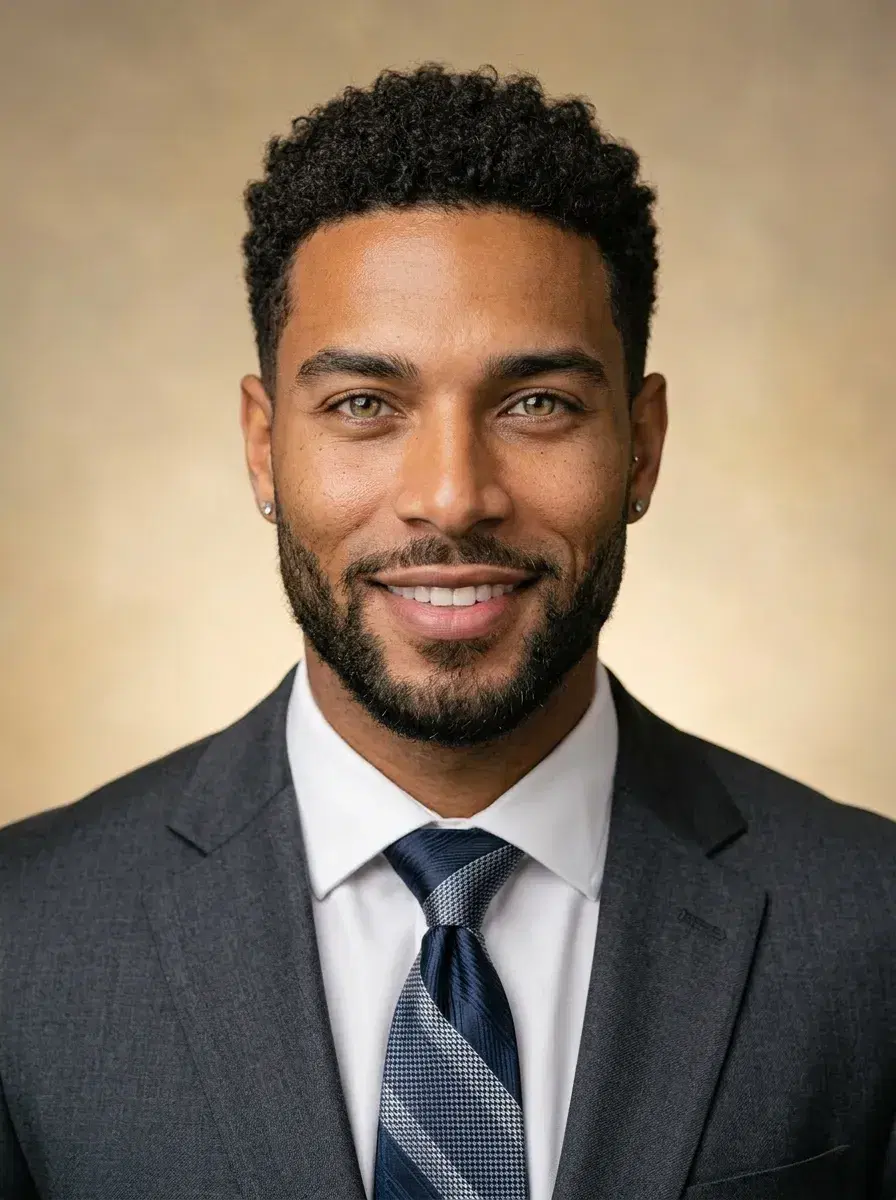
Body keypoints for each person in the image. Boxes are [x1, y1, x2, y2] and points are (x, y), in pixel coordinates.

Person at [0, 64, 893, 1200]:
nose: (451, 495)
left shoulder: (871, 930)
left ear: (643, 446)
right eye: (364, 405)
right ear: (265, 448)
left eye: (536, 405)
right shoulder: (21, 941)